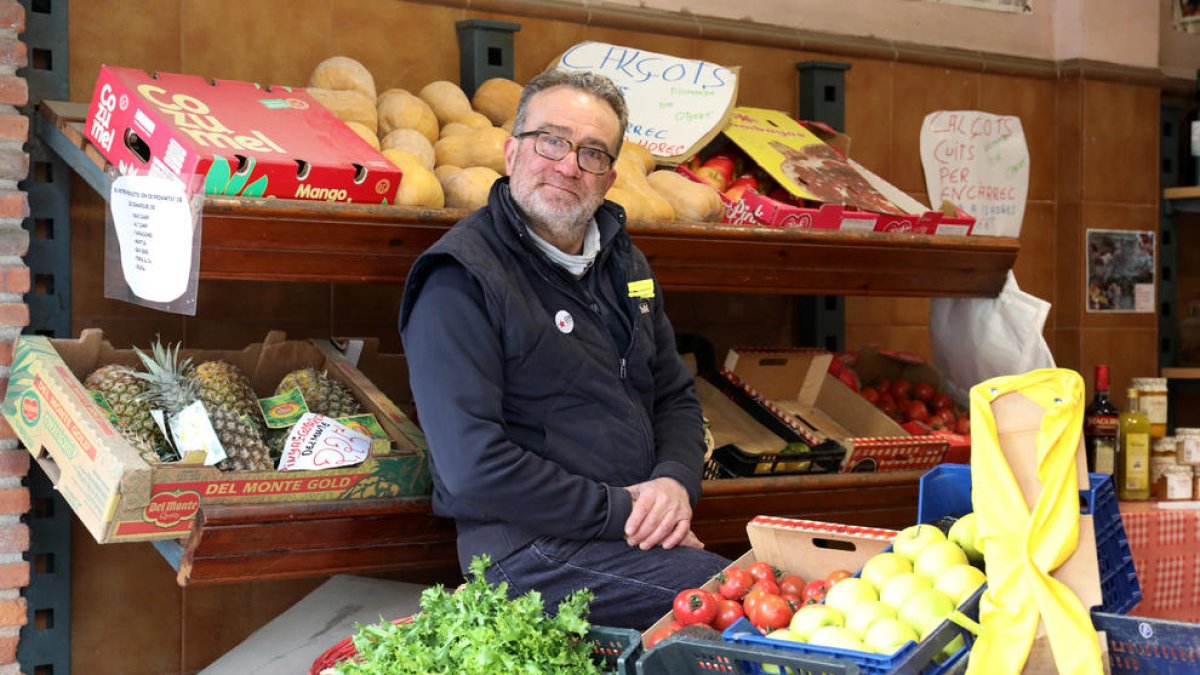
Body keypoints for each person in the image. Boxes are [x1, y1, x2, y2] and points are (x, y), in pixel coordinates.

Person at [399, 68, 729, 629]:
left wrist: (674, 482)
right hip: (526, 555)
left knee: (747, 595)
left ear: (609, 177)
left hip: (620, 535)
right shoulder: (459, 278)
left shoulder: (626, 264)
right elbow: (473, 467)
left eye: (592, 152)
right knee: (736, 604)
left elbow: (673, 394)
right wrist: (628, 513)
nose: (568, 165)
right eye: (551, 141)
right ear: (512, 152)